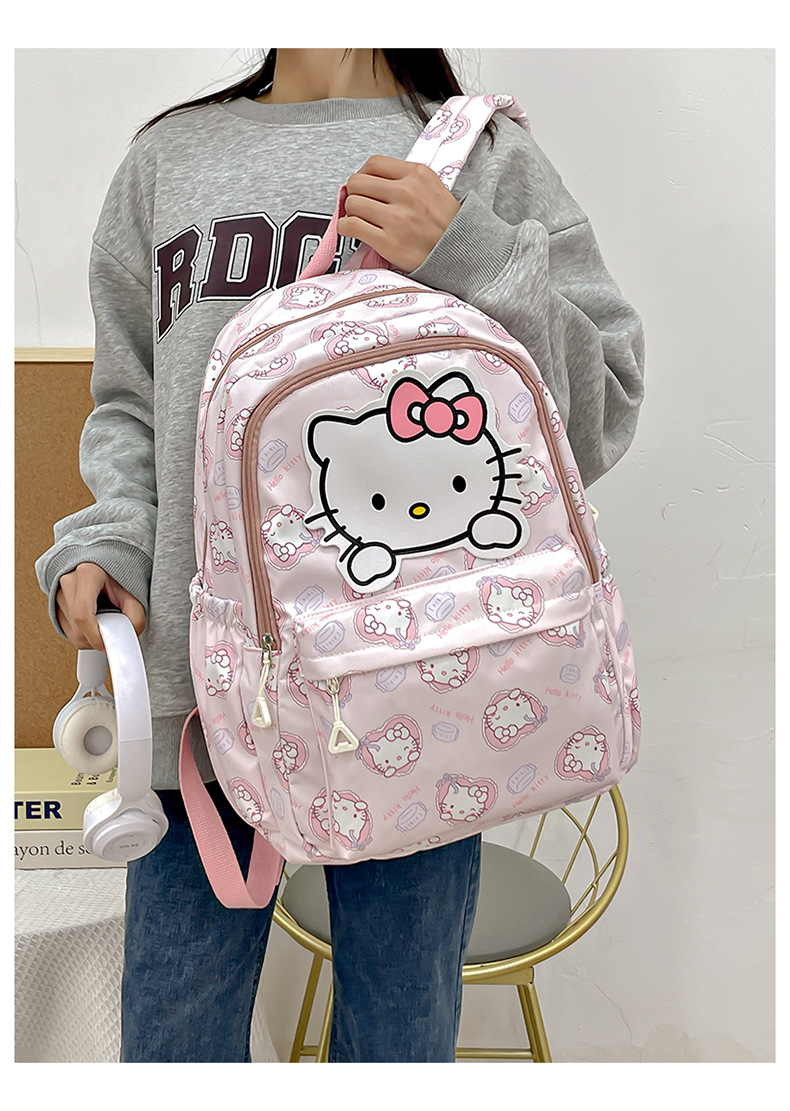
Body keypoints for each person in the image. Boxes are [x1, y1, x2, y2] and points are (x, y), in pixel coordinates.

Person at [35, 48, 645, 1063]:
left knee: (396, 1047)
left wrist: (474, 254)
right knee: (171, 1046)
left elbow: (600, 409)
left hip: (412, 698)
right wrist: (110, 538)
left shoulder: (480, 153)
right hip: (205, 694)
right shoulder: (168, 160)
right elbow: (135, 403)